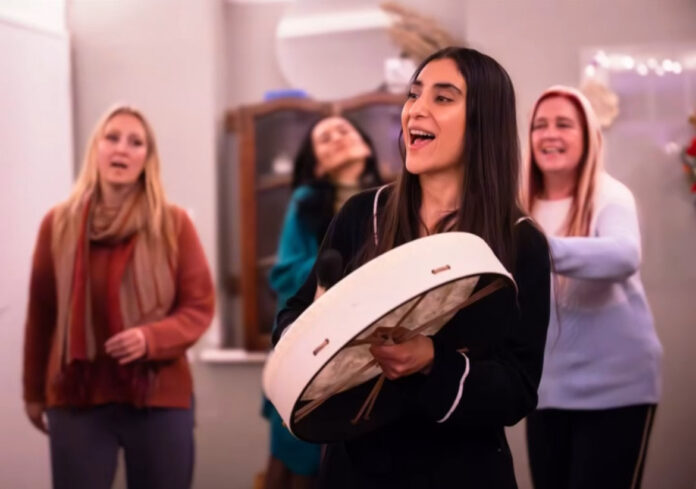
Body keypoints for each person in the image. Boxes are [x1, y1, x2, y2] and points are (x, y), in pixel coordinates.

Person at [273, 47, 551, 488]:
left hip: (463, 473)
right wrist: (312, 337)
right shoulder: (363, 215)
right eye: (414, 94)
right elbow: (292, 314)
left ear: (484, 120)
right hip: (354, 472)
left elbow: (518, 390)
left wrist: (432, 364)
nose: (416, 110)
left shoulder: (521, 242)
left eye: (442, 98)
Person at [22, 105, 215, 489]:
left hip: (158, 394)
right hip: (77, 394)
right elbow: (42, 315)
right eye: (112, 138)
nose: (122, 149)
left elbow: (199, 307)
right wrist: (32, 391)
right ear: (96, 148)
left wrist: (151, 338)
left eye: (135, 142)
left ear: (148, 158)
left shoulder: (172, 223)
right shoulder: (56, 224)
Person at [522, 86, 662, 489]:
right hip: (547, 391)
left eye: (564, 124)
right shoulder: (522, 208)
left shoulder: (609, 193)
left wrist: (534, 250)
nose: (550, 134)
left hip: (618, 388)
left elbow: (623, 256)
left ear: (588, 136)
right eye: (540, 126)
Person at [263, 115, 383, 489]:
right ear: (316, 164)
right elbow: (284, 274)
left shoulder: (394, 200)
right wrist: (340, 275)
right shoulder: (304, 205)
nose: (338, 138)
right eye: (325, 138)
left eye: (345, 131)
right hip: (310, 355)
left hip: (375, 358)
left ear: (366, 145)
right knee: (303, 470)